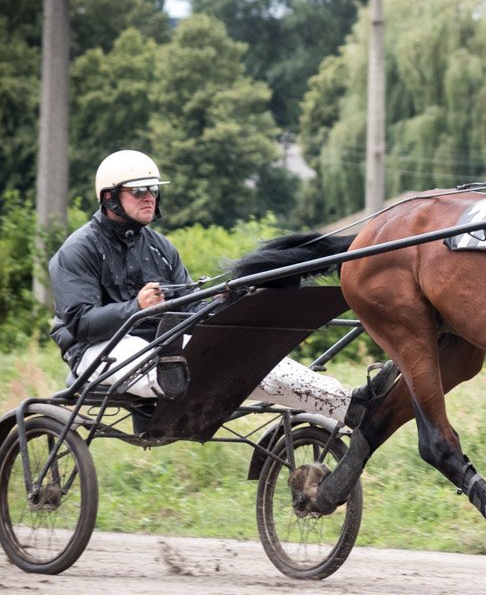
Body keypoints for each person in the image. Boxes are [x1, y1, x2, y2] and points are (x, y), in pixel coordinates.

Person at [48, 149, 373, 423]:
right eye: (139, 191)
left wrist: (225, 303)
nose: (149, 197)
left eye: (153, 190)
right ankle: (185, 375)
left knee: (254, 361)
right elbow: (80, 324)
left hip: (165, 344)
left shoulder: (160, 248)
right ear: (109, 197)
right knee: (179, 364)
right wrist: (135, 307)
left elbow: (189, 305)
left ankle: (351, 403)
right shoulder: (78, 250)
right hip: (97, 351)